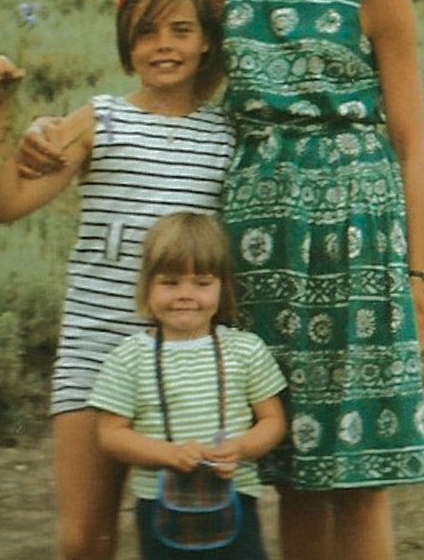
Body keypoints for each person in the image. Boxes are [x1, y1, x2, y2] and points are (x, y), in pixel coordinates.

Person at [207, 0, 424, 560]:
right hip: (260, 254)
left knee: (358, 474)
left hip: (358, 247)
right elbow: (170, 92)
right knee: (293, 472)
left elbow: (411, 143)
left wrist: (420, 276)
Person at [0, 0, 236, 560]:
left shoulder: (226, 134)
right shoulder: (100, 118)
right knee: (83, 538)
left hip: (183, 362)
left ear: (206, 41)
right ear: (126, 46)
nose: (163, 45)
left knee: (180, 533)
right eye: (144, 33)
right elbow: (3, 204)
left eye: (180, 30)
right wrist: (0, 113)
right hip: (96, 351)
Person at [89, 211, 287, 560]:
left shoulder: (245, 349)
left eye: (201, 282)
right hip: (159, 504)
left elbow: (272, 421)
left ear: (222, 287)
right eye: (169, 282)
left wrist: (240, 448)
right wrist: (168, 455)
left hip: (235, 497)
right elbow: (111, 435)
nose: (185, 294)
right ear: (147, 286)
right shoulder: (128, 357)